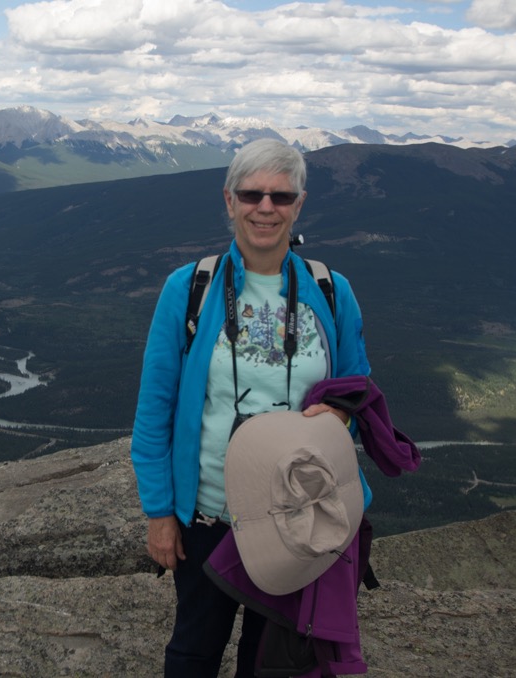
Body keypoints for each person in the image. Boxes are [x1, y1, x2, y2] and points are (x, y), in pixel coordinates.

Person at [130, 138, 372, 677]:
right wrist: (160, 514)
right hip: (209, 515)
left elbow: (357, 384)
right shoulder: (189, 288)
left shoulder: (332, 290)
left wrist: (339, 413)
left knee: (274, 662)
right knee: (194, 652)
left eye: (281, 196)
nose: (266, 207)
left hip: (298, 517)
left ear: (299, 204)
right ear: (230, 200)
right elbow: (154, 412)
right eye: (252, 194)